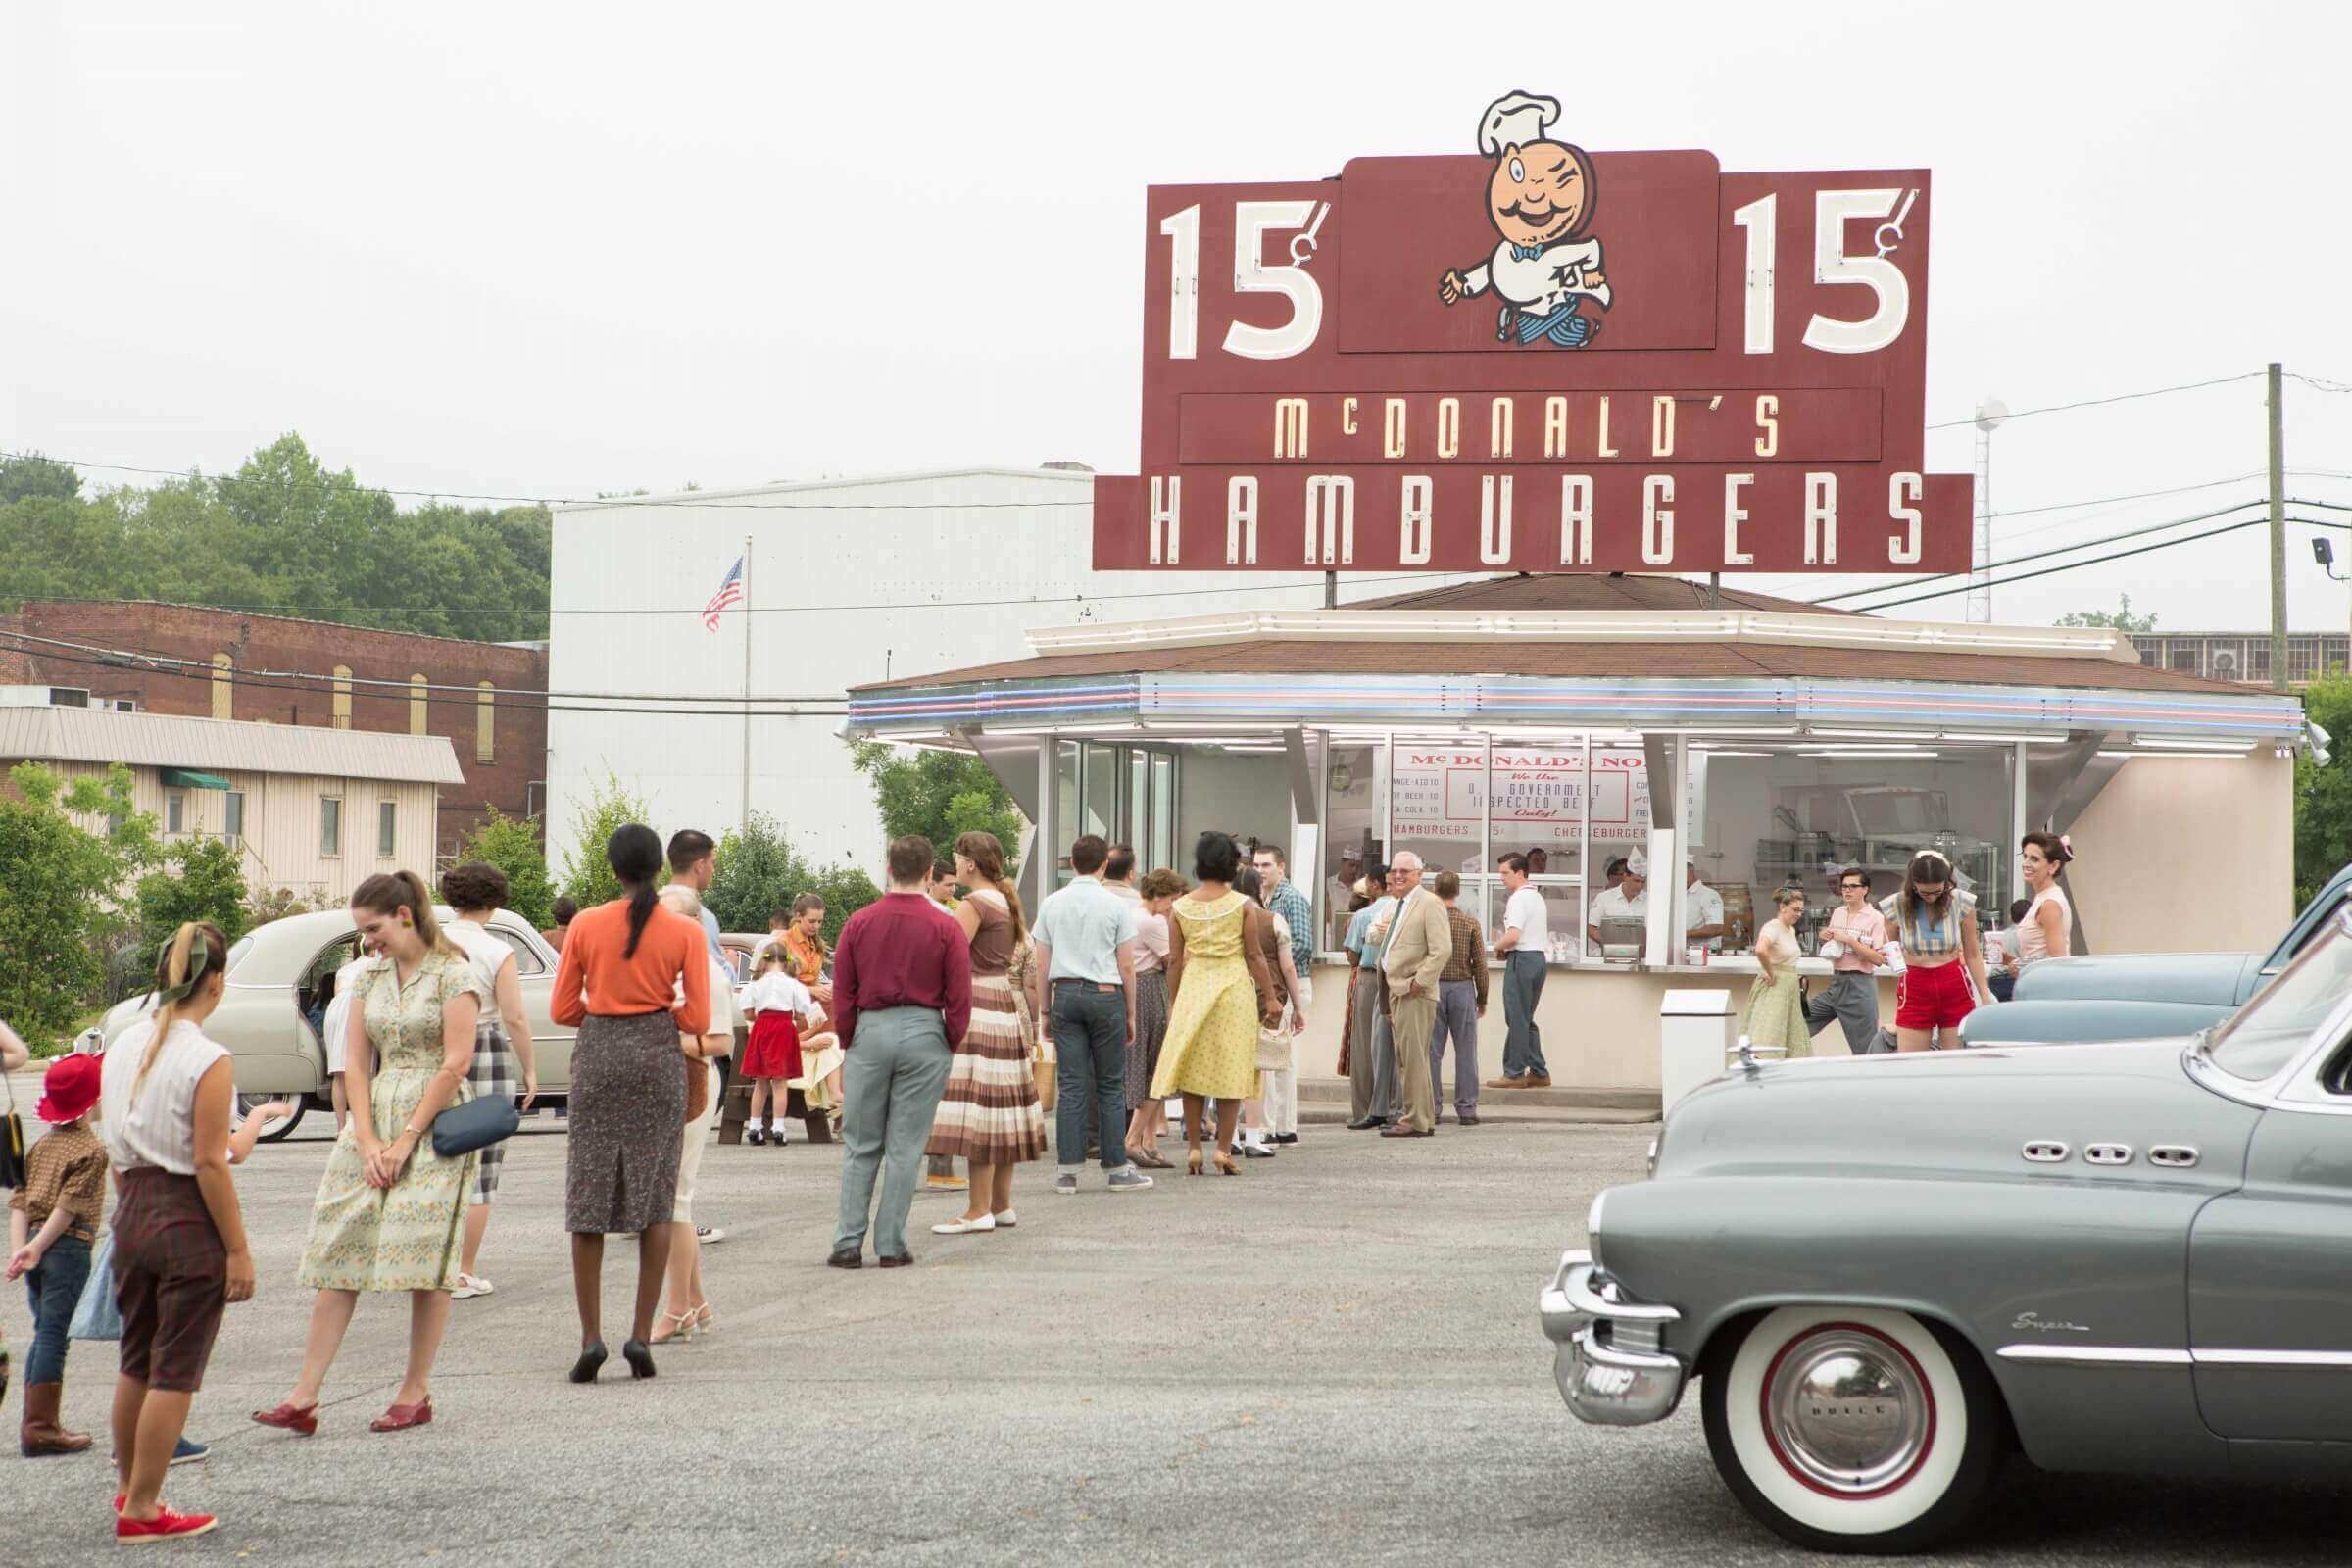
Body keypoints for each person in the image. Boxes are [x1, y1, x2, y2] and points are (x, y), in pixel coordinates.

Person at [260, 872, 484, 1436]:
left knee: (424, 1258)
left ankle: (415, 1391)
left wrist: (407, 1138)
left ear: (405, 914)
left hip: (434, 1119)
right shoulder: (368, 978)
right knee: (340, 1246)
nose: (369, 940)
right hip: (374, 1112)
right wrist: (365, 1138)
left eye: (374, 928)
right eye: (362, 930)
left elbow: (456, 1062)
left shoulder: (454, 974)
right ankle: (304, 1395)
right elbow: (355, 1064)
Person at [99, 922, 259, 1544]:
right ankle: (143, 1507)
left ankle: (128, 1487)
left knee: (135, 1358)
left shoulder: (122, 1043)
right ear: (215, 981)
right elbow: (211, 1161)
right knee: (175, 1368)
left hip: (131, 1205)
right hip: (185, 1216)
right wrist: (239, 1249)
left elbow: (112, 1139)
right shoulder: (208, 1057)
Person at [548, 825, 710, 1381]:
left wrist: (604, 1008)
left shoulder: (587, 924)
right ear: (660, 868)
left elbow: (562, 1008)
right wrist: (658, 1011)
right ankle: (641, 1334)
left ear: (613, 867)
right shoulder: (684, 930)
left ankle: (591, 1337)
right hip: (657, 1056)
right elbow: (699, 1019)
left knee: (589, 1192)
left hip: (598, 1055)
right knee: (655, 1193)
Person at [829, 836, 971, 1268]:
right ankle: (890, 1243)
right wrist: (947, 1038)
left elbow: (842, 989)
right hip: (926, 1029)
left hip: (870, 1029)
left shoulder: (858, 922)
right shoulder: (946, 926)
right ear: (930, 874)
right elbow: (960, 996)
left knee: (860, 1142)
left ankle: (847, 1242)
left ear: (888, 869)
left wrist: (850, 1035)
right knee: (906, 1145)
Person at [929, 831, 1049, 1235]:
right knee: (1003, 1106)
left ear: (970, 864)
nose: (955, 864)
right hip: (1003, 1005)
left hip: (977, 1004)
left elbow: (949, 955)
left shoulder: (974, 903)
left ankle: (976, 1210)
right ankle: (1001, 1204)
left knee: (978, 1107)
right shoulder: (1003, 900)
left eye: (958, 857)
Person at [1152, 832, 1281, 1176]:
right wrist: (1270, 997)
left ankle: (1194, 1147)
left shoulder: (1179, 907)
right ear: (1230, 865)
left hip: (1195, 986)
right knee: (1232, 1069)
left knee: (1193, 1072)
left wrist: (1174, 1000)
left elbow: (1175, 961)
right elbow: (1254, 955)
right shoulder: (1243, 905)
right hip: (1233, 990)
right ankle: (1223, 1150)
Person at [1030, 834, 1152, 1196]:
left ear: (1072, 864)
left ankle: (1067, 1170)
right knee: (1110, 1084)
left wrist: (1045, 1011)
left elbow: (1041, 961)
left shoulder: (1052, 903)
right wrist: (1130, 1012)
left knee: (1071, 1085)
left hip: (1065, 992)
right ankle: (1116, 1167)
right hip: (1105, 995)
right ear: (1103, 866)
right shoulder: (1115, 906)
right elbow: (1127, 965)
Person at [439, 861, 539, 1301]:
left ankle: (433, 1266)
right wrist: (531, 1069)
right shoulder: (497, 950)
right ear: (495, 901)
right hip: (484, 1046)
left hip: (435, 1051)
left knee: (436, 1157)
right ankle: (463, 1270)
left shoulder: (432, 942)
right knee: (482, 1166)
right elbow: (514, 1015)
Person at [10, 1054, 108, 1456]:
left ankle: (35, 1421)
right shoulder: (92, 1150)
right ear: (92, 1102)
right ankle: (41, 1427)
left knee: (43, 1332)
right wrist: (37, 1246)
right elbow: (67, 1209)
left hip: (35, 1247)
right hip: (65, 1249)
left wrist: (22, 1248)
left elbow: (20, 1199)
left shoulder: (43, 1145)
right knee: (55, 1334)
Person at [655, 887, 736, 1346]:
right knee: (672, 1198)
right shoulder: (665, 964)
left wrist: (660, 1038)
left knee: (675, 1199)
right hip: (665, 1080)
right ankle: (696, 1303)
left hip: (695, 1080)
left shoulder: (707, 972)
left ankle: (679, 1309)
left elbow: (721, 1044)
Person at [1881, 850, 1993, 1052]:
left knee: (1957, 1061)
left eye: (1937, 891)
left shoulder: (1961, 901)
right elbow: (1888, 948)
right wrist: (1885, 955)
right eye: (1924, 892)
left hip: (1953, 980)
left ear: (1947, 882)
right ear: (1913, 884)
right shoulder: (1896, 904)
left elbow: (1972, 954)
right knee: (1912, 1064)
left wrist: (1985, 995)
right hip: (1915, 983)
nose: (1931, 897)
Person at [1230, 865, 1301, 1158]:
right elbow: (1287, 966)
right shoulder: (1273, 920)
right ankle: (1254, 1135)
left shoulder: (1227, 918)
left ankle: (1230, 1135)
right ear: (1259, 889)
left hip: (1231, 997)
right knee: (1256, 1069)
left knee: (1229, 1068)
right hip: (1267, 997)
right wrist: (1298, 1005)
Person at [1378, 853, 1448, 1139]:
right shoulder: (1401, 904)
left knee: (1413, 1058)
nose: (1398, 876)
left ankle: (1415, 1120)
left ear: (1419, 874)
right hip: (1398, 989)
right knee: (1408, 1057)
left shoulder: (1429, 903)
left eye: (1405, 871)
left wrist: (1420, 981)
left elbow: (1442, 949)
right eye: (1394, 870)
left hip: (1413, 991)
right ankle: (1421, 1117)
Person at [1252, 845, 1313, 1146]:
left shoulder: (1291, 899)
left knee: (1281, 1060)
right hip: (1276, 984)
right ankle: (1275, 1126)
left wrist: (1270, 963)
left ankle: (1280, 1127)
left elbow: (1302, 944)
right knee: (1274, 1058)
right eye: (1257, 866)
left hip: (1293, 984)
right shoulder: (1263, 899)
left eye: (1266, 865)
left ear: (1282, 867)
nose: (1261, 871)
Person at [1123, 868, 1183, 1169]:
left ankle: (1149, 1141)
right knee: (1156, 1069)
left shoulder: (1132, 915)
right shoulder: (1153, 921)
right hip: (1151, 991)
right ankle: (1134, 1140)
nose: (1172, 905)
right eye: (1171, 899)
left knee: (1146, 1066)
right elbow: (1171, 959)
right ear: (1159, 896)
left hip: (1136, 991)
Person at [1343, 865, 1400, 1129]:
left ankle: (1365, 1110)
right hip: (1397, 980)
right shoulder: (1403, 910)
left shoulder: (1364, 915)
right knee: (1395, 1047)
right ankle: (1393, 1107)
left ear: (1376, 885)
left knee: (1366, 1047)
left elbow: (1352, 954)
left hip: (1369, 978)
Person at [1806, 868, 1888, 1053]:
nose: (1847, 891)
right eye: (1844, 886)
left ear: (1865, 889)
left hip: (1860, 985)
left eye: (1853, 886)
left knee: (1864, 1048)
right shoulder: (1838, 912)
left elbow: (1878, 959)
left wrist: (1851, 940)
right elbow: (1832, 943)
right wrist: (1823, 935)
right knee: (1799, 1024)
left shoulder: (1876, 918)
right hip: (1836, 982)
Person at [1429, 871, 1489, 1126]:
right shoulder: (1470, 923)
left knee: (1431, 1052)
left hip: (1433, 988)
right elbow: (1480, 964)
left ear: (1434, 890)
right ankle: (1466, 1109)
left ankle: (1431, 1107)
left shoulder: (1429, 922)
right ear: (1458, 891)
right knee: (1466, 1051)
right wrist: (1482, 996)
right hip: (1463, 989)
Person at [739, 947, 813, 1146]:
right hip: (783, 1027)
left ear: (765, 960)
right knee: (780, 1083)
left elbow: (747, 1014)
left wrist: (759, 1017)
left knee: (760, 1081)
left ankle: (755, 1127)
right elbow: (802, 1013)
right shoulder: (793, 985)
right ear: (786, 961)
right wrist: (794, 1016)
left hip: (763, 1026)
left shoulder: (756, 984)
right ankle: (778, 1128)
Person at [1494, 853, 1553, 1089]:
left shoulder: (1518, 899)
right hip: (1537, 958)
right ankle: (1538, 1070)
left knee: (1516, 1017)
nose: (1501, 878)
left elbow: (1513, 936)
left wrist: (1496, 946)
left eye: (1505, 873)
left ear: (1520, 873)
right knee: (1525, 1018)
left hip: (1522, 958)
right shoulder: (1536, 897)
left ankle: (1514, 1072)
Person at [317, 935, 382, 1134]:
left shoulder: (344, 970)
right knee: (364, 1070)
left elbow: (338, 993)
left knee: (340, 1073)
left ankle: (341, 1126)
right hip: (356, 1008)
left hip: (335, 1013)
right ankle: (363, 1123)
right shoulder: (375, 965)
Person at [1740, 886, 1812, 1054]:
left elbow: (1785, 957)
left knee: (1789, 1035)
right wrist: (1771, 972)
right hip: (1775, 987)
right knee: (1769, 1033)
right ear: (1782, 907)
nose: (1799, 914)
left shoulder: (1791, 929)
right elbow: (1760, 949)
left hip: (1790, 987)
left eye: (1801, 911)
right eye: (1795, 910)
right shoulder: (1772, 927)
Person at [667, 830, 729, 965]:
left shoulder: (649, 909)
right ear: (700, 866)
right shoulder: (704, 918)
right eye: (712, 863)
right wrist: (729, 964)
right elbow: (712, 980)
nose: (713, 870)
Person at [2018, 831, 2076, 972]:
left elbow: (2056, 960)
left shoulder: (2050, 904)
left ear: (2053, 866)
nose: (2026, 864)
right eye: (2025, 856)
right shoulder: (2045, 897)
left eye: (2034, 859)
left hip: (2044, 987)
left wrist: (2018, 965)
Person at [1585, 854, 1648, 949]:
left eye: (1643, 882)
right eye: (1636, 881)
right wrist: (1609, 941)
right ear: (1625, 876)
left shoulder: (1650, 900)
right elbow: (1591, 928)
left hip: (1642, 958)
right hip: (1610, 956)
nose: (1640, 886)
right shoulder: (1604, 898)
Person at [1988, 898, 2030, 1003]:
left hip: (1995, 982)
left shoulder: (2000, 936)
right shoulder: (2029, 936)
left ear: (2010, 917)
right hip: (2016, 981)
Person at [1684, 858, 1728, 955]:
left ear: (1691, 872)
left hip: (1707, 955)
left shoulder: (1710, 895)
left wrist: (1682, 934)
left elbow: (1716, 928)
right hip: (1684, 953)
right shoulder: (1680, 895)